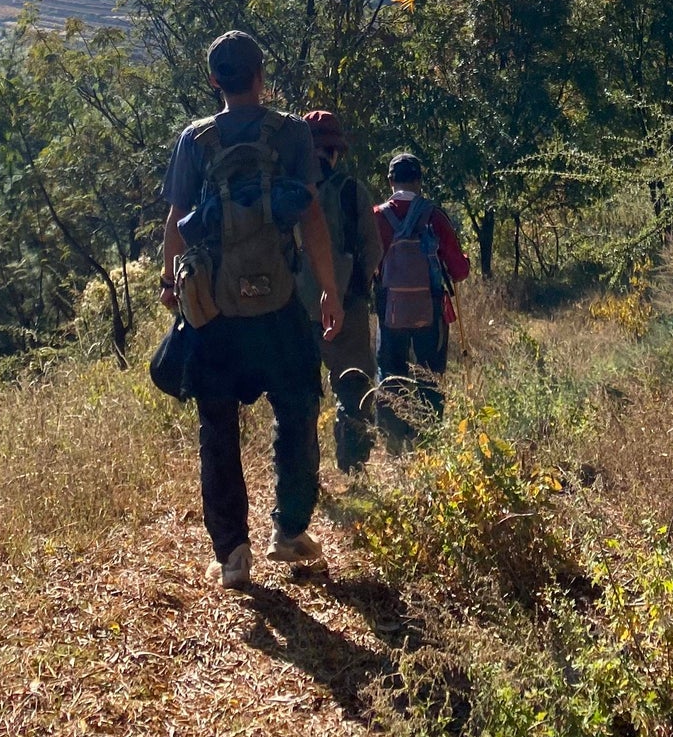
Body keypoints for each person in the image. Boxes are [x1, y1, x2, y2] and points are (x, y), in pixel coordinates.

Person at [160, 30, 345, 591]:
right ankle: (288, 530)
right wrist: (329, 289)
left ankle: (233, 555)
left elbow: (175, 224)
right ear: (261, 75)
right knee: (297, 409)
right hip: (279, 303)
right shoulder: (289, 134)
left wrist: (172, 284)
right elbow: (310, 218)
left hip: (215, 311)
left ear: (214, 79)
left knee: (217, 428)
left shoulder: (195, 141)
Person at [298, 110, 381, 473]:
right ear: (334, 152)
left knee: (299, 397)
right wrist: (355, 286)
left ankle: (302, 474)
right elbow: (373, 250)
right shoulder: (352, 191)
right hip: (347, 305)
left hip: (294, 309)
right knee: (354, 386)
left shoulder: (287, 191)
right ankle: (353, 467)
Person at [373, 152, 471, 452]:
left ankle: (393, 442)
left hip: (390, 309)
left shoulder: (376, 216)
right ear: (419, 181)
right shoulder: (434, 215)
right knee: (430, 375)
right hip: (431, 309)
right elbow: (459, 270)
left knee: (390, 373)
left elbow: (367, 264)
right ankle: (429, 441)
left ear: (390, 181)